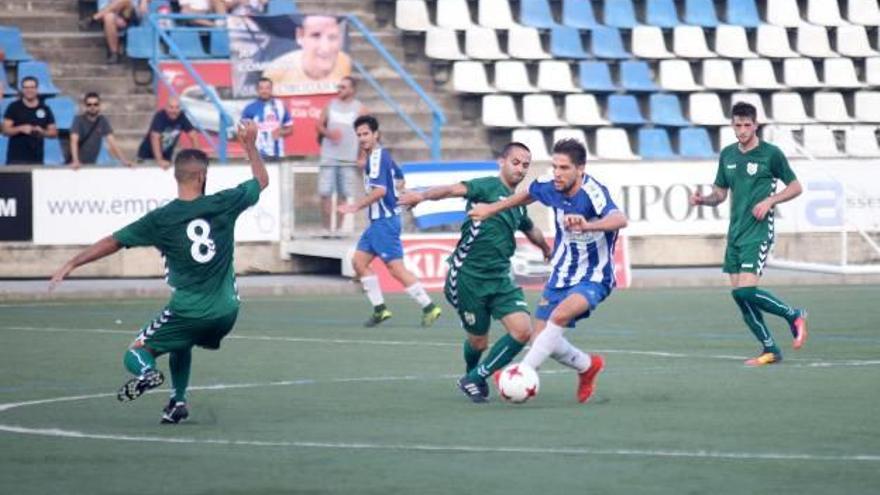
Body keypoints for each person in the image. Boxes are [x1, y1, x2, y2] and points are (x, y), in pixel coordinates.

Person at [48, 121, 268, 424]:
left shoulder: (162, 219)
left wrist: (71, 263)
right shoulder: (225, 202)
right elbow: (261, 180)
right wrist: (250, 147)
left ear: (176, 177)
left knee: (135, 352)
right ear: (203, 175)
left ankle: (148, 373)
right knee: (182, 342)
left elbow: (113, 241)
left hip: (189, 310)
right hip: (228, 310)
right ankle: (178, 402)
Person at [469, 139, 627, 404]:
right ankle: (587, 366)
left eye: (564, 168)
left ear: (581, 169)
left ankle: (523, 371)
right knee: (540, 339)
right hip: (562, 273)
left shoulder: (593, 192)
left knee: (559, 315)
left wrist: (588, 225)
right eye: (555, 166)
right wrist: (490, 209)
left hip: (594, 276)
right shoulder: (551, 184)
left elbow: (619, 219)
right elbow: (527, 194)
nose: (557, 173)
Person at [399, 142, 552, 403]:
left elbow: (530, 228)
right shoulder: (486, 186)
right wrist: (421, 196)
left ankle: (474, 378)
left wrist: (546, 248)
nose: (521, 168)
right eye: (516, 162)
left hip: (501, 279)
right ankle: (472, 374)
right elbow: (450, 189)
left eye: (526, 165)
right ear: (501, 162)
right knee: (479, 342)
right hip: (467, 278)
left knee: (523, 331)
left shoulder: (518, 203)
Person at [689, 101, 808, 366]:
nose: (742, 130)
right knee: (741, 299)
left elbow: (796, 187)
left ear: (755, 125)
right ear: (732, 125)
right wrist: (702, 200)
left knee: (745, 292)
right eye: (737, 125)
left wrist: (770, 201)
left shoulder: (770, 154)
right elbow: (720, 194)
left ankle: (794, 315)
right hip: (735, 235)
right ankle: (770, 349)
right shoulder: (728, 155)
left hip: (758, 232)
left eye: (747, 125)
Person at [338, 115, 442, 327]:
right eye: (358, 135)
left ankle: (429, 306)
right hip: (379, 223)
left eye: (366, 134)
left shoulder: (376, 157)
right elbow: (400, 179)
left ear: (376, 134)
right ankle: (380, 309)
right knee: (359, 262)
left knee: (396, 270)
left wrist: (355, 206)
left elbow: (381, 190)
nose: (362, 138)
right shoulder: (381, 157)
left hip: (384, 222)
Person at [316, 76, 368, 231]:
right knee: (325, 193)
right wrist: (328, 133)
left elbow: (366, 135)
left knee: (344, 195)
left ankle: (338, 230)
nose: (339, 90)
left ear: (352, 90)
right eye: (338, 87)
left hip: (348, 159)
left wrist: (362, 156)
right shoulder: (330, 105)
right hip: (328, 157)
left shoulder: (360, 109)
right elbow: (318, 125)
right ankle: (326, 229)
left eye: (343, 87)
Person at [262, 15, 352, 95]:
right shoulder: (277, 72)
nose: (325, 48)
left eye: (332, 37)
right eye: (315, 36)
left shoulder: (345, 64)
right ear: (300, 36)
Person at [2, 76, 58, 165]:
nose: (29, 90)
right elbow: (5, 130)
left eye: (32, 87)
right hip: (16, 159)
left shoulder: (44, 108)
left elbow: (54, 132)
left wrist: (42, 132)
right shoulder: (14, 107)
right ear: (22, 90)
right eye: (26, 87)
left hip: (37, 159)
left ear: (37, 89)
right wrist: (20, 129)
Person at [70, 92, 132, 168]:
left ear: (99, 106)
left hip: (91, 164)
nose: (92, 107)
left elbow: (112, 142)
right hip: (78, 164)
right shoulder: (78, 120)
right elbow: (74, 141)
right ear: (85, 106)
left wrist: (124, 160)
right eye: (89, 105)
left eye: (95, 104)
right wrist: (76, 161)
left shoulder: (102, 120)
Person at [136, 97, 199, 169]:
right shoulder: (160, 116)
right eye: (171, 107)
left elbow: (193, 135)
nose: (174, 110)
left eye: (177, 108)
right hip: (146, 156)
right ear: (166, 108)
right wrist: (159, 160)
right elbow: (155, 137)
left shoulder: (181, 116)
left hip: (166, 157)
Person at [240, 77, 293, 160]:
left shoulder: (280, 106)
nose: (264, 91)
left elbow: (290, 129)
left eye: (267, 88)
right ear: (257, 90)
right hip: (256, 154)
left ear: (271, 89)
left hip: (277, 153)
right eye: (261, 88)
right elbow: (242, 131)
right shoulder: (249, 108)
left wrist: (280, 132)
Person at [81, 0, 149, 64]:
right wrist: (115, 18)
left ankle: (93, 19)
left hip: (131, 13)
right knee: (109, 17)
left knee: (125, 0)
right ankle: (114, 53)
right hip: (116, 15)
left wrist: (144, 1)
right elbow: (103, 8)